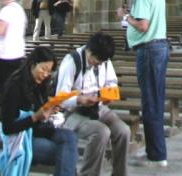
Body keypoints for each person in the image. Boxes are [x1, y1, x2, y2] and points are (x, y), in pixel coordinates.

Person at [117, 0, 168, 168]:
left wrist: (125, 17)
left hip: (149, 50)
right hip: (156, 49)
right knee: (153, 101)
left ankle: (156, 156)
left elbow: (143, 25)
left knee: (150, 103)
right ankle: (155, 152)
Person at [55, 32, 130, 176]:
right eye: (96, 60)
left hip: (98, 108)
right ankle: (89, 173)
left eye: (102, 62)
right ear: (89, 50)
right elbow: (60, 97)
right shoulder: (72, 61)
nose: (98, 64)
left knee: (123, 131)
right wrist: (80, 99)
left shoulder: (104, 60)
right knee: (101, 132)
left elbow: (111, 83)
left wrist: (109, 95)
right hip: (73, 113)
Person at [0, 45, 78, 176]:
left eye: (49, 71)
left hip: (40, 130)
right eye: (43, 69)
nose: (46, 74)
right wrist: (35, 117)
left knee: (69, 137)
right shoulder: (14, 87)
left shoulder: (40, 84)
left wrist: (50, 108)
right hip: (22, 138)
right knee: (67, 155)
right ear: (32, 64)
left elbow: (39, 110)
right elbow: (7, 128)